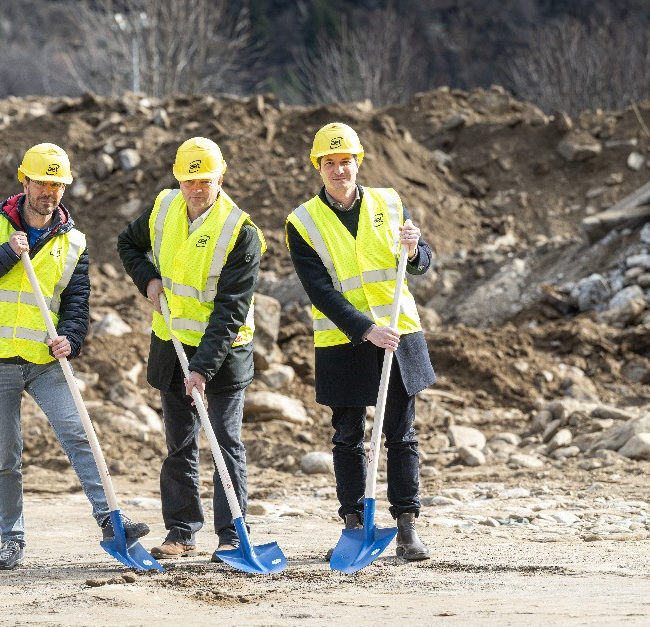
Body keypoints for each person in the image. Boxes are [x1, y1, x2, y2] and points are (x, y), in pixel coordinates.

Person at [0, 142, 149, 570]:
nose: (49, 192)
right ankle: (12, 540)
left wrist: (71, 340)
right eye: (42, 182)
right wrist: (6, 253)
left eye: (57, 185)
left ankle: (111, 521)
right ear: (24, 181)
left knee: (80, 434)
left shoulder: (74, 242)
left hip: (45, 359)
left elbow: (77, 303)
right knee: (6, 457)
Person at [285, 123, 436, 561]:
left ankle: (406, 525)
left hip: (397, 333)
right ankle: (353, 524)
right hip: (344, 339)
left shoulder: (389, 202)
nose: (338, 170)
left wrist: (414, 251)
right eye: (329, 162)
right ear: (318, 166)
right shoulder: (302, 222)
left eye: (345, 161)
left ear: (358, 162)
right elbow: (319, 291)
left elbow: (421, 261)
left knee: (401, 434)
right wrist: (365, 329)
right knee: (347, 436)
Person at [117, 137, 266, 562]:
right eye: (188, 181)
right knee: (179, 445)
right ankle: (181, 532)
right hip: (172, 344)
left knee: (225, 443)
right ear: (177, 179)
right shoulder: (164, 207)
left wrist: (202, 368)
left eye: (204, 181)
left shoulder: (241, 232)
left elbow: (231, 311)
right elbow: (128, 244)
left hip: (224, 353)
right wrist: (148, 278)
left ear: (221, 177)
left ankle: (232, 535)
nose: (196, 189)